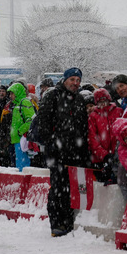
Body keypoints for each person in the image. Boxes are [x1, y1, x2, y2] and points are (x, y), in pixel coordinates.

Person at [31, 67, 89, 237]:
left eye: (78, 80)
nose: (75, 83)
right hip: (56, 152)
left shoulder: (79, 99)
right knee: (58, 187)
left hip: (75, 152)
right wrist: (53, 143)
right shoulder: (52, 96)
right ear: (65, 80)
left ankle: (68, 221)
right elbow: (43, 123)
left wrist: (82, 148)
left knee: (71, 188)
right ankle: (57, 223)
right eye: (72, 79)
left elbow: (83, 126)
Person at [88, 88, 121, 181]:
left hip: (118, 156)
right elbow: (92, 138)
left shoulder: (118, 111)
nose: (103, 104)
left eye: (105, 101)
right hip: (100, 159)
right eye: (100, 102)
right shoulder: (93, 116)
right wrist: (104, 154)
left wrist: (118, 152)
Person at [8, 81, 36, 170]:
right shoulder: (18, 104)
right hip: (18, 139)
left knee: (23, 165)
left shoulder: (24, 102)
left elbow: (31, 119)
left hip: (22, 139)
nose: (10, 96)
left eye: (12, 93)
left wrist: (20, 131)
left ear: (17, 92)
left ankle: (23, 178)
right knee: (20, 163)